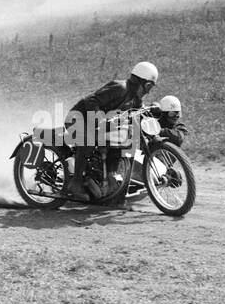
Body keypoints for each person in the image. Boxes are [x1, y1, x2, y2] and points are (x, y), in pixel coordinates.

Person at [63, 61, 158, 200]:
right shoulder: (120, 87)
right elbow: (92, 100)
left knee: (122, 140)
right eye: (149, 86)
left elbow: (138, 112)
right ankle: (76, 183)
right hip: (77, 118)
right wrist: (99, 119)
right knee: (88, 142)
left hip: (99, 123)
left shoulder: (134, 98)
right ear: (141, 82)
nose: (148, 90)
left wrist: (152, 109)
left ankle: (107, 175)